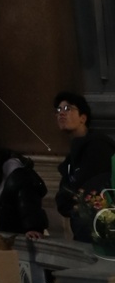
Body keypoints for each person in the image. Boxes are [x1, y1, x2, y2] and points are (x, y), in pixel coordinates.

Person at [53, 89, 115, 239]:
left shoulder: (98, 146)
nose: (61, 113)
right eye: (58, 110)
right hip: (86, 228)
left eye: (68, 108)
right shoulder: (73, 154)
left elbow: (87, 189)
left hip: (102, 230)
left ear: (83, 117)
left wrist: (68, 198)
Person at [0, 142, 47, 239]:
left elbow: (27, 199)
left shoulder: (14, 170)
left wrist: (32, 227)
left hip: (16, 230)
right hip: (2, 230)